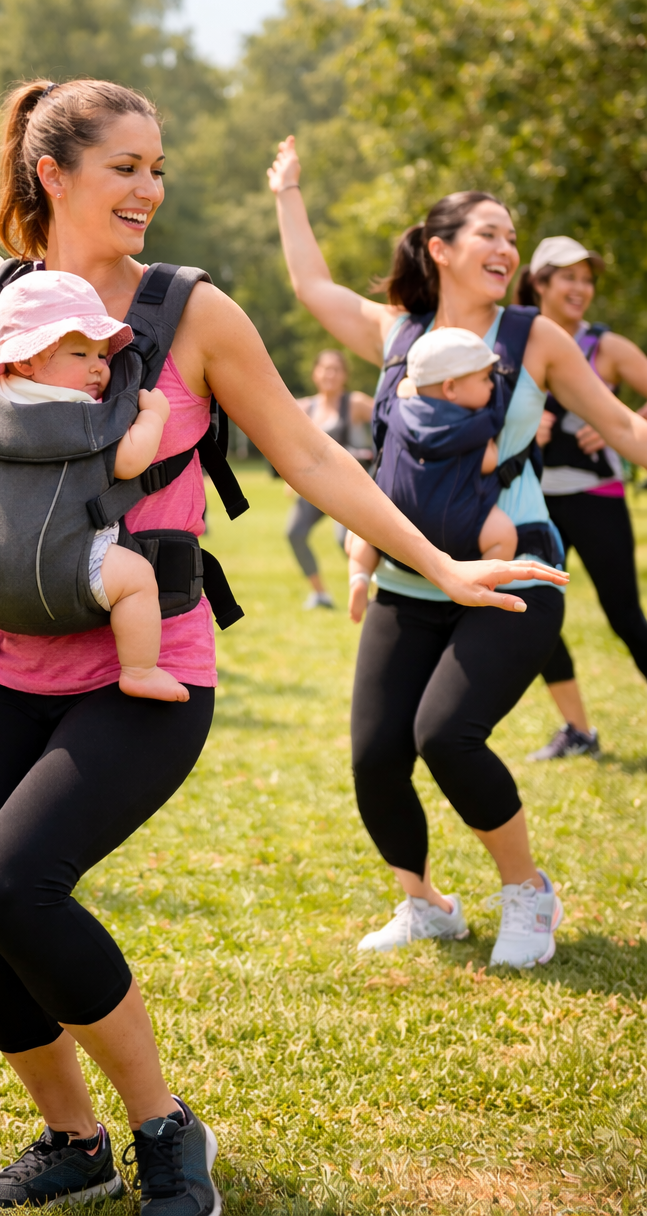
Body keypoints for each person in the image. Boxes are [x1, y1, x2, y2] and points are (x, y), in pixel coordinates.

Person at [0, 0, 562, 1214]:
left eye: (158, 168)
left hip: (144, 668)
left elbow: (310, 454)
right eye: (125, 167)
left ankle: (165, 1130)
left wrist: (440, 565)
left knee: (12, 885)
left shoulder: (192, 313)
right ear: (52, 172)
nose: (149, 188)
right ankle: (71, 1143)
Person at [269, 133, 647, 968]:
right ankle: (427, 904)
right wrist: (288, 191)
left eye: (512, 237)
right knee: (376, 756)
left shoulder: (534, 336)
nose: (507, 249)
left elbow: (625, 428)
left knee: (446, 734)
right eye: (489, 233)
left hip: (515, 569)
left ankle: (528, 892)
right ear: (440, 249)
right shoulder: (397, 331)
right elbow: (312, 287)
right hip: (411, 580)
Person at [0, 269, 189, 703]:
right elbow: (130, 462)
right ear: (25, 360)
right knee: (136, 579)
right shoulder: (83, 415)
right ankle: (140, 670)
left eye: (102, 355)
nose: (99, 367)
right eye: (80, 353)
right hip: (68, 569)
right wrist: (152, 416)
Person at [517, 236, 647, 759]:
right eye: (568, 277)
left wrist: (625, 421)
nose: (581, 288)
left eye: (587, 279)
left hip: (597, 497)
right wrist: (525, 428)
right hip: (533, 500)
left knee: (624, 615)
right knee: (535, 612)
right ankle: (577, 731)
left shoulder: (605, 346)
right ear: (540, 283)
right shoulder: (515, 339)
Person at [343, 328, 518, 623]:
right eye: (485, 378)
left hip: (394, 525)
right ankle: (481, 590)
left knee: (362, 532)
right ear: (450, 389)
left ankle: (359, 576)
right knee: (504, 535)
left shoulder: (397, 411)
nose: (491, 385)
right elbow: (489, 462)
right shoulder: (472, 424)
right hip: (455, 528)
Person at [286, 349, 373, 608]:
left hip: (347, 488)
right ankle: (320, 594)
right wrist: (290, 477)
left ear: (345, 375)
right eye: (325, 368)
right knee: (294, 533)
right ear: (315, 373)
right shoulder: (304, 407)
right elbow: (291, 445)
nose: (330, 374)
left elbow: (392, 422)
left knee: (344, 540)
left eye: (336, 369)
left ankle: (372, 592)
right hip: (315, 488)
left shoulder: (355, 403)